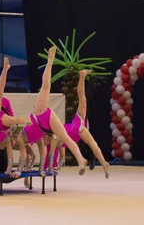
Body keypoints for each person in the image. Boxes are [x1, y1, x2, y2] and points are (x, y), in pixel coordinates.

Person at [13, 47, 109, 178]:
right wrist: (37, 170)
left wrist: (20, 169)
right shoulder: (32, 141)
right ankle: (82, 160)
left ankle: (81, 161)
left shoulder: (21, 136)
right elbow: (36, 154)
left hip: (39, 116)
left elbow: (27, 153)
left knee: (46, 86)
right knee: (67, 139)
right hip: (45, 122)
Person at [56, 69, 110, 178]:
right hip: (76, 128)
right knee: (92, 143)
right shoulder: (79, 118)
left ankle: (96, 162)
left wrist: (59, 164)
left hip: (70, 133)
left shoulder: (60, 136)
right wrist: (82, 77)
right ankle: (102, 162)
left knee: (90, 143)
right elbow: (81, 95)